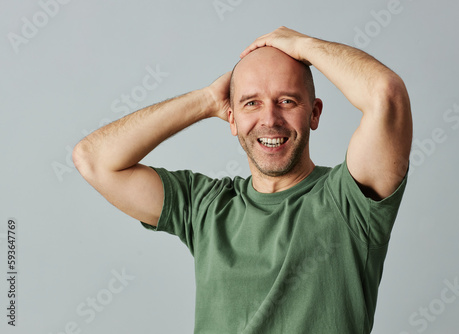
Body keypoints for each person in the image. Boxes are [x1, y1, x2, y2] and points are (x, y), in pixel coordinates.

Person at [73, 26, 412, 333]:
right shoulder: (204, 206)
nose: (270, 119)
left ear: (314, 113)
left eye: (287, 101)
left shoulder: (351, 200)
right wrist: (206, 100)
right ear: (230, 119)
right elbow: (93, 160)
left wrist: (303, 46)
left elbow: (386, 95)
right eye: (252, 103)